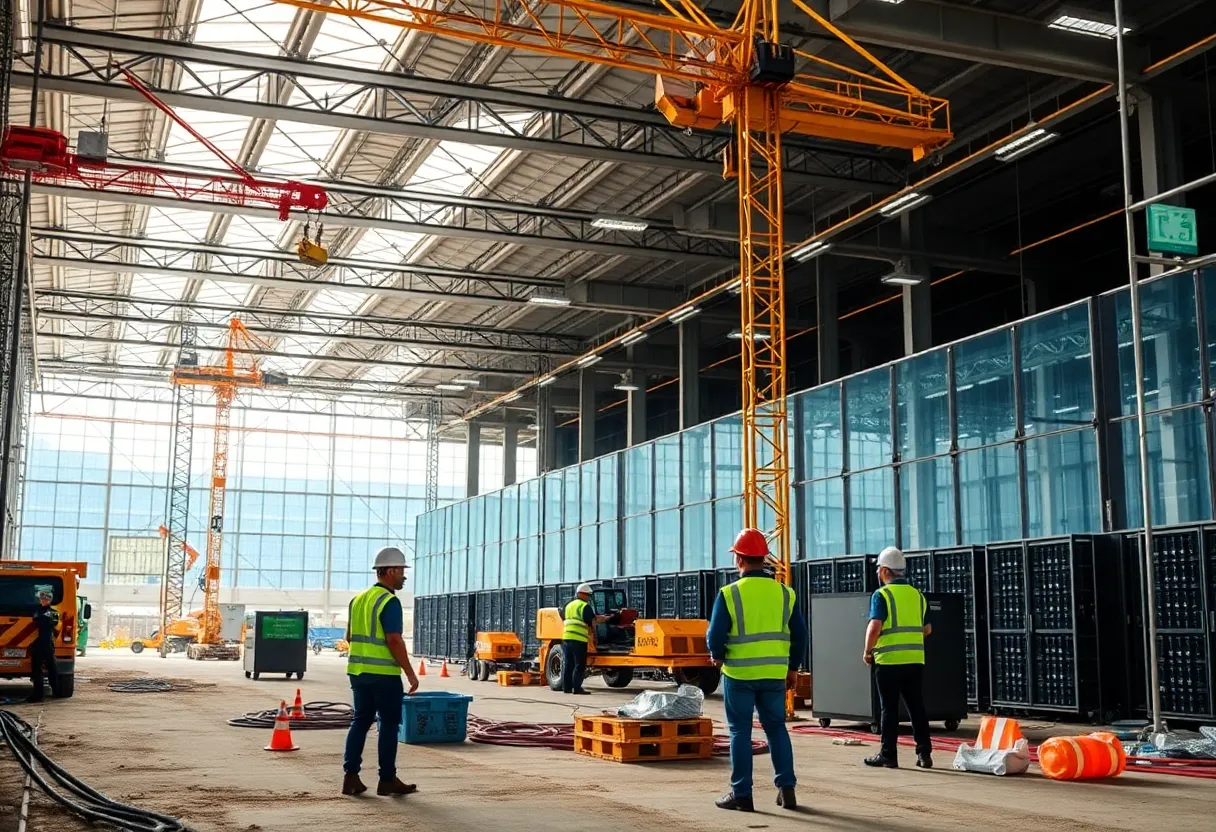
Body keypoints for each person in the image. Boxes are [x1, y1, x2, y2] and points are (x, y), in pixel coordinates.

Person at [708, 529, 806, 813]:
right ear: (764, 559)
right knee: (776, 729)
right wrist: (793, 668)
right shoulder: (785, 593)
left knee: (740, 731)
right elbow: (800, 635)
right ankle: (787, 789)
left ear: (739, 559)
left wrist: (717, 656)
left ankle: (742, 795)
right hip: (775, 674)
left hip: (739, 674)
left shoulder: (729, 593)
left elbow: (716, 635)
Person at [343, 546, 421, 797]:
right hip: (384, 676)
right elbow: (394, 640)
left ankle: (351, 777)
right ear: (388, 571)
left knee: (361, 721)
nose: (404, 576)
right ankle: (387, 780)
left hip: (358, 673)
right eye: (400, 571)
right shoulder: (390, 601)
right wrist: (409, 672)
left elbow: (348, 637)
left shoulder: (357, 600)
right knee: (388, 725)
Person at [862, 546, 933, 770]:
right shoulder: (918, 595)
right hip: (914, 661)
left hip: (889, 662)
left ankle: (888, 755)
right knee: (916, 707)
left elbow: (875, 627)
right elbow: (928, 629)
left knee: (889, 709)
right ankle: (924, 754)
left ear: (884, 571)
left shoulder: (881, 595)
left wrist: (867, 651)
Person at [561, 583, 607, 695]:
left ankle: (566, 688)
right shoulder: (584, 606)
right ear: (582, 594)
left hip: (566, 638)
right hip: (579, 639)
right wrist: (604, 620)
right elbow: (592, 621)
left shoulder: (568, 605)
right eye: (588, 595)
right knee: (579, 664)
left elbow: (563, 617)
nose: (588, 598)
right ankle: (577, 688)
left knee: (568, 663)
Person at [28, 591, 59, 703]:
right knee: (38, 670)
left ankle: (54, 691)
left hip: (45, 643)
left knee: (50, 669)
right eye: (42, 598)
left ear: (50, 600)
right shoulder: (45, 612)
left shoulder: (41, 612)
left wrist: (42, 620)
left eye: (46, 599)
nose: (44, 600)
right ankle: (38, 695)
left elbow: (39, 622)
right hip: (41, 643)